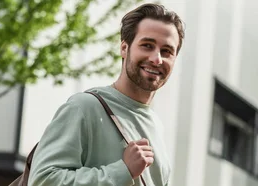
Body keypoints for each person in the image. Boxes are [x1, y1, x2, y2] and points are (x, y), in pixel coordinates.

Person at [27, 3, 185, 186]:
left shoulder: (156, 125)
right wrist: (123, 171)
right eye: (147, 45)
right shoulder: (84, 107)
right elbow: (42, 180)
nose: (156, 59)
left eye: (166, 51)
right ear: (124, 48)